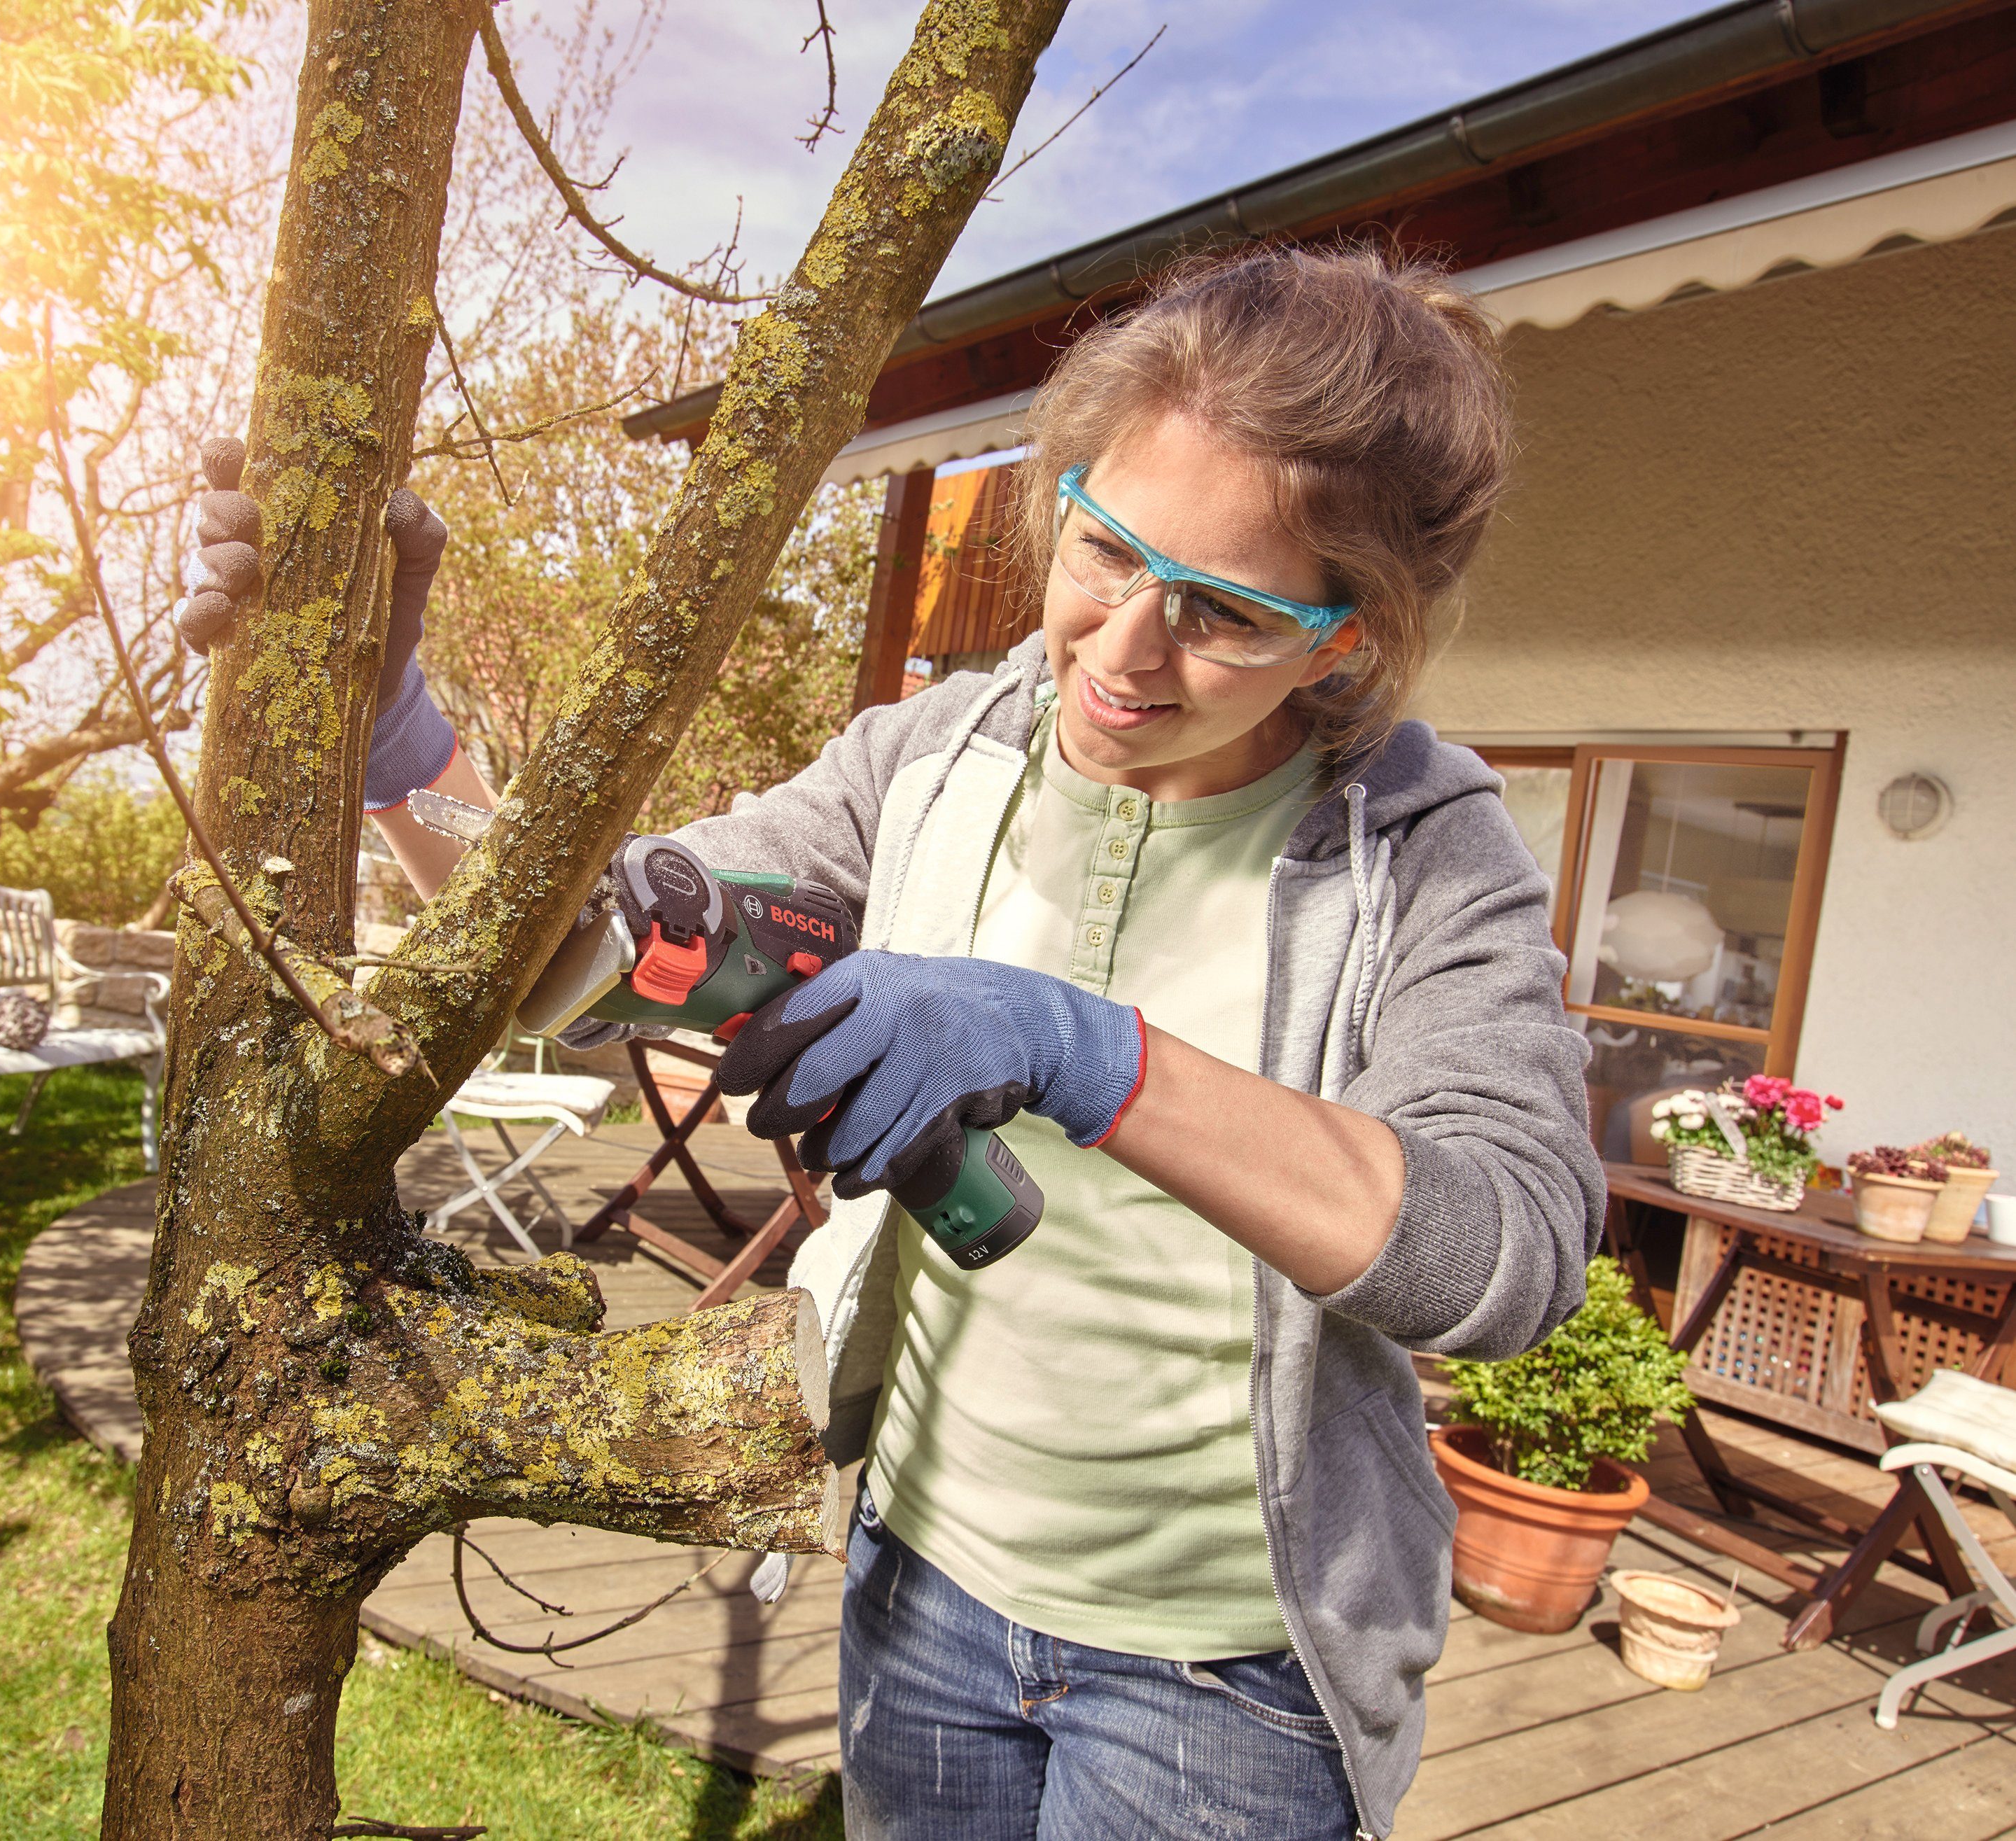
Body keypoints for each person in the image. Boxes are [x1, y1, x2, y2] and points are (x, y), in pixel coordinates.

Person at [187, 243, 1602, 1840]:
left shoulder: (1418, 850)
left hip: (1223, 1674)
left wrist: (1091, 1054)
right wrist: (400, 738)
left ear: (1342, 639)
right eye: (1104, 552)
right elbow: (599, 942)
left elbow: (1505, 1256)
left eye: (1218, 613)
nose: (1124, 651)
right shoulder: (931, 757)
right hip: (919, 1587)